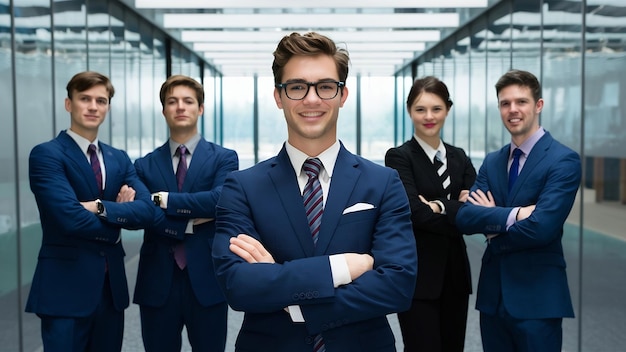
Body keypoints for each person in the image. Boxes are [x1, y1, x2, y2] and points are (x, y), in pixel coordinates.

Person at [211, 32, 417, 352]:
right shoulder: (242, 187)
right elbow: (238, 286)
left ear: (342, 94)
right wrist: (342, 268)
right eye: (297, 87)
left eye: (325, 86)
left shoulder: (383, 182)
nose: (311, 99)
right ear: (279, 97)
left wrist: (285, 291)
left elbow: (397, 286)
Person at [26, 71, 155, 352]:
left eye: (101, 100)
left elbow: (147, 212)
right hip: (65, 289)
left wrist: (100, 208)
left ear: (108, 107)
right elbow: (69, 219)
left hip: (111, 291)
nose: (93, 106)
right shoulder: (47, 155)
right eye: (85, 99)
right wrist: (118, 222)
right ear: (68, 104)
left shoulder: (118, 158)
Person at [456, 69, 582, 351]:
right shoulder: (492, 161)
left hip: (537, 300)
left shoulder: (563, 160)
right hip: (493, 299)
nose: (513, 110)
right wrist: (516, 215)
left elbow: (542, 228)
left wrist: (491, 228)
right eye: (505, 103)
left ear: (539, 105)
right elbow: (465, 218)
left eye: (521, 102)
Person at [133, 75, 238, 351]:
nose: (180, 107)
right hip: (157, 281)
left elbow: (219, 202)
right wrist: (190, 223)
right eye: (172, 101)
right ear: (164, 109)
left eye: (188, 101)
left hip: (207, 280)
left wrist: (165, 200)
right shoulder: (143, 165)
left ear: (200, 108)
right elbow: (144, 213)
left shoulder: (224, 158)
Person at [385, 76, 476, 352]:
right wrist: (457, 209)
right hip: (418, 278)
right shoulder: (399, 157)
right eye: (420, 109)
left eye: (436, 108)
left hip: (456, 277)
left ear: (447, 109)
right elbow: (414, 213)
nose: (428, 116)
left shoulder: (459, 157)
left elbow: (479, 213)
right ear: (409, 110)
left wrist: (438, 206)